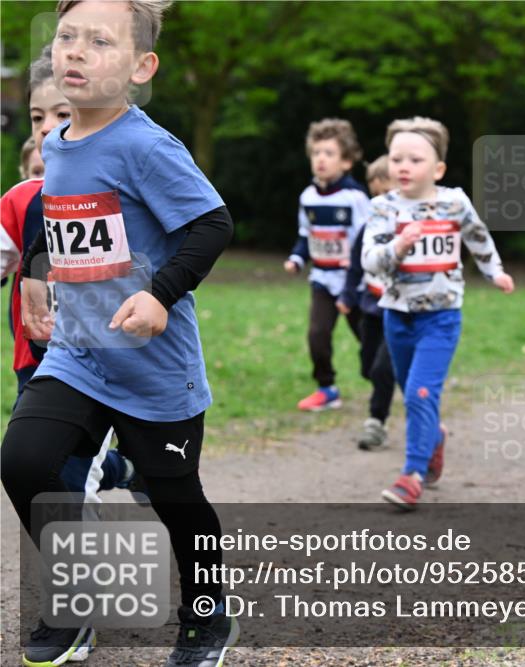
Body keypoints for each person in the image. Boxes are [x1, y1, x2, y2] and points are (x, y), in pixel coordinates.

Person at [1, 2, 238, 665]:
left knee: (175, 497)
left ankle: (207, 614)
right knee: (23, 461)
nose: (74, 50)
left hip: (153, 366)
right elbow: (73, 232)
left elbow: (213, 225)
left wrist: (159, 294)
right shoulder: (58, 145)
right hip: (77, 355)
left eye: (98, 41)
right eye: (66, 37)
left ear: (140, 67)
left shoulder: (146, 145)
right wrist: (37, 279)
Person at [361, 117, 515, 509]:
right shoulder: (382, 208)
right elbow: (370, 262)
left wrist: (494, 271)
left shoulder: (454, 202)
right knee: (412, 392)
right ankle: (435, 437)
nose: (403, 166)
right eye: (396, 158)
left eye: (415, 158)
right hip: (397, 317)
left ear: (438, 169)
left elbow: (478, 238)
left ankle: (411, 477)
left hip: (441, 318)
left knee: (419, 392)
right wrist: (398, 246)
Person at [1, 46, 133, 498]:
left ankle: (86, 562)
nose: (44, 128)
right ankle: (129, 470)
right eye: (37, 117)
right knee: (31, 466)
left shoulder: (118, 187)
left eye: (59, 113)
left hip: (96, 362)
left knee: (73, 477)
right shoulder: (19, 201)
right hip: (33, 361)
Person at [284, 118, 369, 411]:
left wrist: (357, 263)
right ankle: (327, 388)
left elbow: (368, 237)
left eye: (329, 153)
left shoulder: (355, 197)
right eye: (316, 152)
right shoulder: (307, 197)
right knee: (317, 335)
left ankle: (388, 375)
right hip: (322, 279)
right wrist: (297, 258)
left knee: (368, 339)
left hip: (353, 282)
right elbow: (305, 236)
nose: (320, 159)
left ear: (346, 162)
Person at [338, 156, 397, 450]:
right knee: (368, 366)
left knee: (382, 368)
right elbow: (355, 267)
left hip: (398, 311)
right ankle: (388, 380)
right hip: (371, 307)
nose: (379, 200)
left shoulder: (411, 227)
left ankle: (376, 422)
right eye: (374, 194)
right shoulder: (370, 227)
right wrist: (348, 295)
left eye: (385, 193)